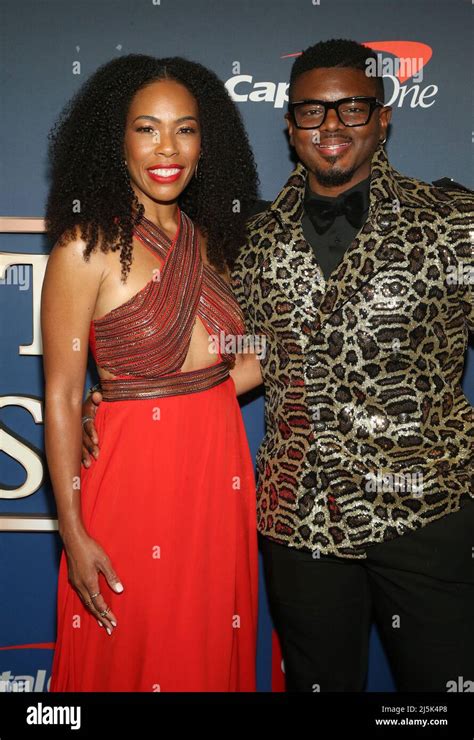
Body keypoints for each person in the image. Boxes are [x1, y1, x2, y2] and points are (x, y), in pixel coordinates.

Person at [82, 40, 474, 693]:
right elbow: (229, 354)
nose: (332, 126)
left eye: (353, 108)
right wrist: (123, 397)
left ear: (384, 119)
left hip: (426, 514)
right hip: (300, 525)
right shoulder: (248, 236)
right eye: (314, 112)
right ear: (290, 128)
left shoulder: (456, 222)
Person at [42, 54, 262, 692]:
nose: (167, 147)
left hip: (216, 477)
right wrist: (73, 529)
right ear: (117, 139)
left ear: (205, 140)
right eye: (147, 128)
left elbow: (238, 357)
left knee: (203, 650)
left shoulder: (218, 243)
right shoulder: (85, 246)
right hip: (130, 486)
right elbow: (59, 394)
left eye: (185, 129)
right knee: (134, 649)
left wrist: (271, 349)